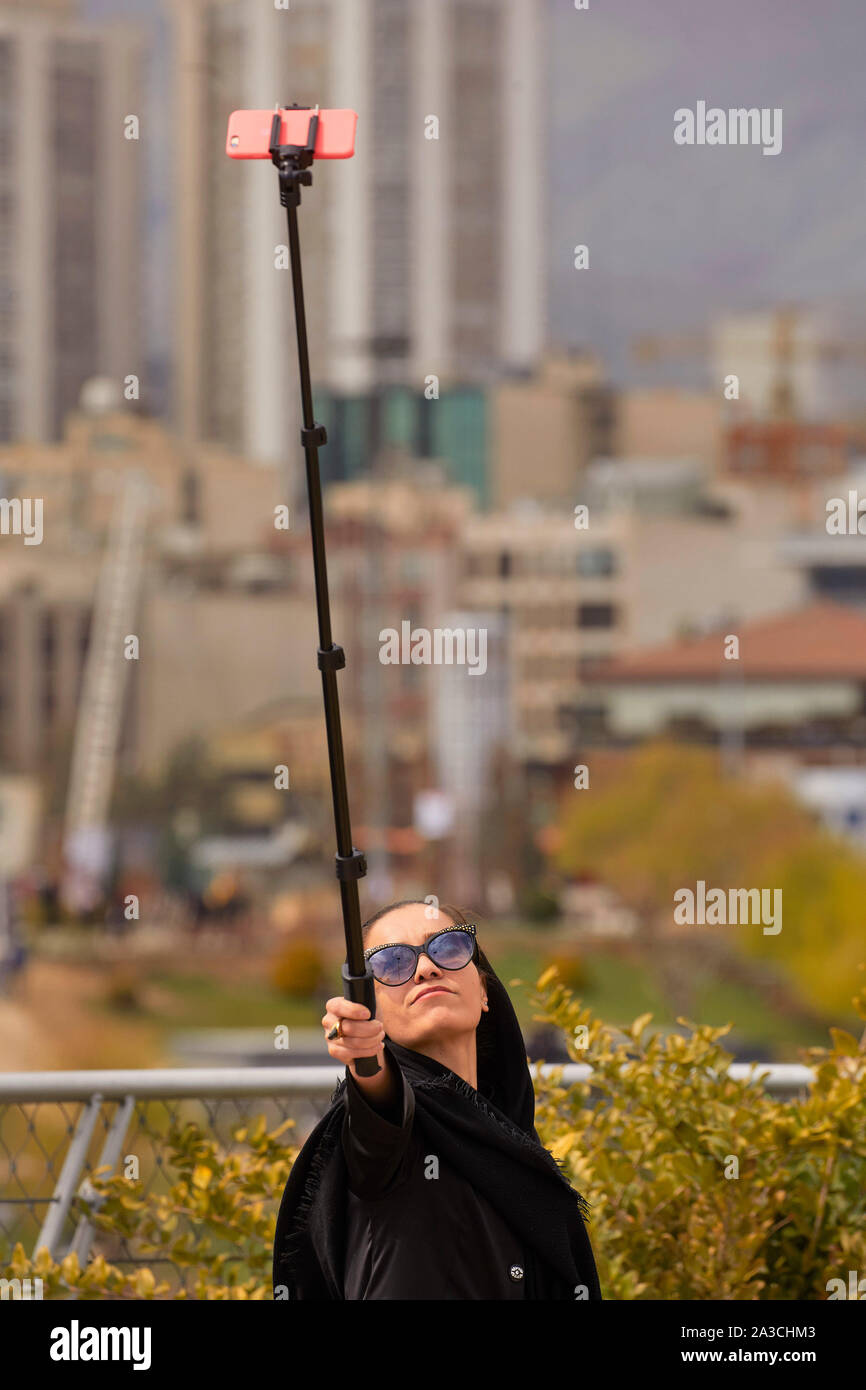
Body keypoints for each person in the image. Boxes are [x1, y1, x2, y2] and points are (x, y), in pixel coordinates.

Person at [272, 899, 602, 1300]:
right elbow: (380, 1114)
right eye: (392, 963)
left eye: (447, 947)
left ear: (483, 990)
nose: (427, 968)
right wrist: (366, 1066)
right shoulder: (390, 1132)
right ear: (371, 1012)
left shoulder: (509, 1138)